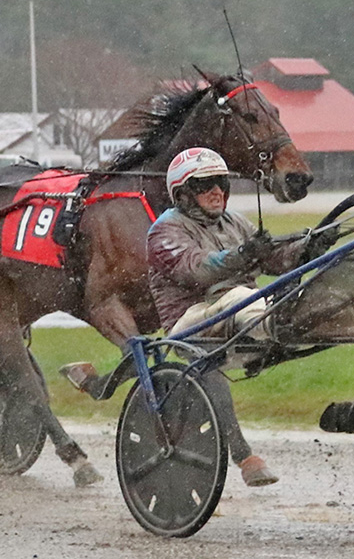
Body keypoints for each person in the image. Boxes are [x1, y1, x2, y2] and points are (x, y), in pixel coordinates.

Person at [65, 147, 338, 487]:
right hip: (191, 323)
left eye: (221, 183)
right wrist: (242, 255)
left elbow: (275, 259)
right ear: (181, 194)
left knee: (320, 292)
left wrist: (308, 247)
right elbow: (198, 271)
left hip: (242, 313)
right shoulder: (164, 231)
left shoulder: (235, 222)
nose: (217, 192)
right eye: (205, 185)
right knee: (241, 298)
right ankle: (245, 454)